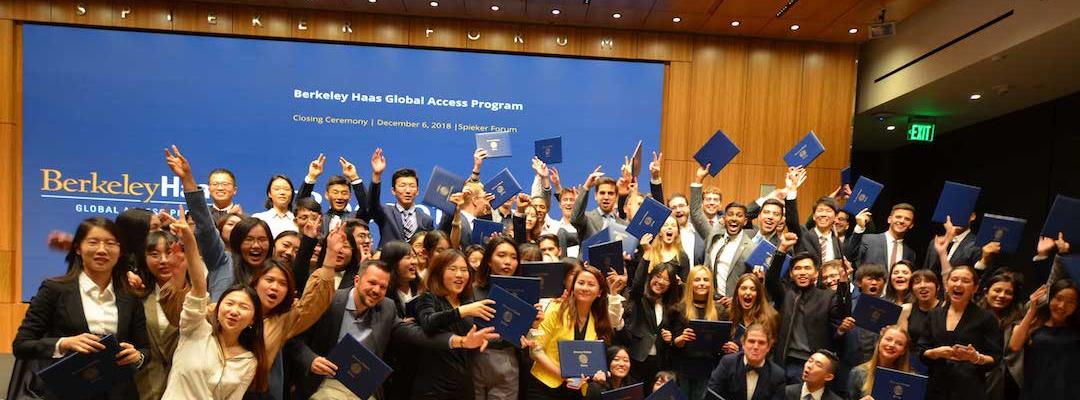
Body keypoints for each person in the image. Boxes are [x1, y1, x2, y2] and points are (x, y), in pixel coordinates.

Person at [284, 259, 498, 400]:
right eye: (372, 283)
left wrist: (460, 341)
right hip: (324, 383)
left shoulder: (386, 307)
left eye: (383, 287)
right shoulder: (330, 301)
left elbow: (414, 333)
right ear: (357, 280)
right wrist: (311, 360)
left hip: (364, 388)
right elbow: (294, 340)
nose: (376, 290)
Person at [10, 217, 150, 400]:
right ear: (78, 248)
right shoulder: (54, 289)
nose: (102, 250)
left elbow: (145, 349)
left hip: (120, 393)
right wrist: (64, 343)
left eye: (110, 243)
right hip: (66, 393)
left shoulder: (130, 296)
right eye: (93, 242)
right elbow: (21, 345)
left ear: (119, 250)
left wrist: (137, 357)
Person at [161, 207, 267, 399]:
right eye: (229, 303)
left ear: (253, 319)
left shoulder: (249, 360)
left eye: (243, 307)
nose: (234, 311)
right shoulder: (195, 329)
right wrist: (189, 240)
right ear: (217, 309)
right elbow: (199, 289)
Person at [412, 250, 498, 399]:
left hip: (463, 385)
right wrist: (462, 311)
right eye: (452, 269)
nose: (459, 275)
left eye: (464, 270)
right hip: (434, 388)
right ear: (439, 272)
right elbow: (428, 322)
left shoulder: (467, 302)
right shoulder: (428, 297)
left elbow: (488, 331)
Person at [766, 233, 849, 383]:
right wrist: (782, 249)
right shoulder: (786, 294)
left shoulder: (827, 296)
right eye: (797, 269)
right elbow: (771, 279)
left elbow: (843, 311)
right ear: (791, 274)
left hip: (815, 364)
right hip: (785, 362)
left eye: (807, 268)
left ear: (816, 273)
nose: (802, 272)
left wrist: (843, 281)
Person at [529, 266, 617, 399]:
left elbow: (590, 361)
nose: (585, 288)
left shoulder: (598, 321)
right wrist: (563, 375)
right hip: (544, 386)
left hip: (578, 389)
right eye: (580, 283)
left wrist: (600, 373)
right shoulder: (556, 310)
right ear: (573, 287)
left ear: (599, 292)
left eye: (591, 284)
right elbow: (535, 351)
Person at [918, 265, 1002, 400]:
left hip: (969, 390)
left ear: (975, 288)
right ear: (946, 285)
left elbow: (995, 358)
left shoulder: (986, 318)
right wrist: (935, 352)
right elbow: (922, 351)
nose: (958, 284)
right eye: (954, 279)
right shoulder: (934, 314)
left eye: (965, 281)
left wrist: (975, 357)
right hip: (936, 389)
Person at [1008, 258, 1080, 400]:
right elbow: (1014, 345)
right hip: (1035, 391)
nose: (1061, 306)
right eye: (1058, 298)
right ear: (1050, 298)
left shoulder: (1076, 329)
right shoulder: (1035, 323)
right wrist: (1032, 309)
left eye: (1070, 302)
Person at [135, 230, 185, 400]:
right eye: (154, 254)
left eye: (169, 252)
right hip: (143, 387)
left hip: (183, 390)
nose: (163, 260)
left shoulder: (195, 296)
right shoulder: (136, 296)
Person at [618, 263, 681, 385]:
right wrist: (646, 258)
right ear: (650, 277)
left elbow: (670, 337)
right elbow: (637, 284)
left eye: (666, 279)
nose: (661, 282)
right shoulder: (639, 298)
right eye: (657, 276)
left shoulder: (670, 307)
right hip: (636, 358)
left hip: (658, 363)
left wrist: (669, 339)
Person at [669, 265, 725, 399]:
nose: (701, 283)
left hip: (708, 370)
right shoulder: (678, 309)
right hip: (683, 368)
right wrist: (681, 339)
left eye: (706, 280)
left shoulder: (720, 310)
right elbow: (673, 343)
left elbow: (722, 345)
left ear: (711, 284)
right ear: (690, 283)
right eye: (697, 279)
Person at [367, 148, 434, 245]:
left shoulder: (426, 220)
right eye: (402, 186)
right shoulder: (385, 213)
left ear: (417, 191)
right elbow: (372, 204)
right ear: (393, 191)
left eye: (412, 186)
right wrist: (377, 175)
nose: (407, 191)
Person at [782, 167, 844, 267]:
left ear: (836, 217)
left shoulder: (838, 243)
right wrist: (792, 188)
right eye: (820, 211)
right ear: (814, 216)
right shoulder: (802, 235)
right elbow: (792, 221)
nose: (823, 214)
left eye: (828, 211)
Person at [706, 323, 786, 400]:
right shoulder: (728, 363)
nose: (755, 347)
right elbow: (712, 395)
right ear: (743, 344)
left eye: (761, 343)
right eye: (751, 341)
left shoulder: (778, 375)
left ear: (768, 347)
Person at [977, 272, 1024, 400]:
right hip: (977, 380)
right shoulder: (973, 315)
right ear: (986, 292)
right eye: (997, 290)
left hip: (1009, 383)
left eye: (1008, 292)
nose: (1002, 296)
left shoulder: (1019, 319)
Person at [297, 154, 368, 233]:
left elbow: (367, 207)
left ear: (350, 196)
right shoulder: (318, 220)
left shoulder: (356, 219)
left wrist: (354, 178)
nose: (340, 197)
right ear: (326, 195)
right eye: (335, 192)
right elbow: (300, 206)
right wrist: (312, 177)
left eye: (344, 193)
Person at [846, 204, 917, 276]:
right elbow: (850, 255)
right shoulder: (869, 240)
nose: (902, 221)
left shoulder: (910, 253)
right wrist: (860, 227)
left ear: (911, 225)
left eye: (907, 219)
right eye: (898, 217)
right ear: (889, 219)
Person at [846, 325, 912, 400]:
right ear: (879, 341)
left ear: (903, 351)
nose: (891, 345)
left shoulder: (912, 379)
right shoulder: (858, 373)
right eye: (888, 339)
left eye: (899, 343)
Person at [723, 274, 780, 356]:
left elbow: (771, 352)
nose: (748, 292)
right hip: (732, 365)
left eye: (753, 289)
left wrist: (741, 351)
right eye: (743, 288)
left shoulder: (771, 317)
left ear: (759, 294)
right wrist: (726, 347)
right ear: (737, 293)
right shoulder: (729, 314)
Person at [570, 169, 625, 242]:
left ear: (616, 197)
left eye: (610, 193)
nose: (606, 197)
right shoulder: (587, 219)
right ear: (596, 196)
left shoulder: (623, 225)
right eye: (602, 193)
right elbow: (574, 219)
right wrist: (586, 187)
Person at [635, 216, 691, 287]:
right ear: (660, 232)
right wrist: (647, 253)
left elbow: (686, 287)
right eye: (665, 225)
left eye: (673, 225)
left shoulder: (682, 256)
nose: (669, 227)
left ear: (677, 233)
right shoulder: (649, 251)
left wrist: (679, 283)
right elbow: (638, 281)